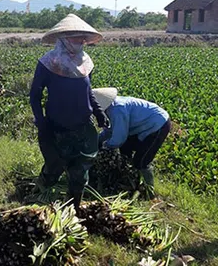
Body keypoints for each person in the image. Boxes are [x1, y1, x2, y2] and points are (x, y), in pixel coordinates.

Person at [30, 14, 109, 211]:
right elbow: (35, 95)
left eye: (84, 38)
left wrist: (98, 112)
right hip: (57, 127)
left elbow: (87, 91)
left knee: (80, 173)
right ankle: (37, 198)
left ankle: (73, 208)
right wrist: (42, 123)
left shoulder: (86, 62)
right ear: (65, 38)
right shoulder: (48, 63)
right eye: (77, 37)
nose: (82, 41)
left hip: (82, 127)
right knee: (54, 167)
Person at [93, 87, 171, 199]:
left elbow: (119, 138)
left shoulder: (117, 110)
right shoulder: (109, 109)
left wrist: (106, 146)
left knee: (141, 160)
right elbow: (109, 131)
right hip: (140, 126)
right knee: (125, 149)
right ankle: (131, 180)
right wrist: (97, 141)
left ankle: (150, 192)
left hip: (158, 124)